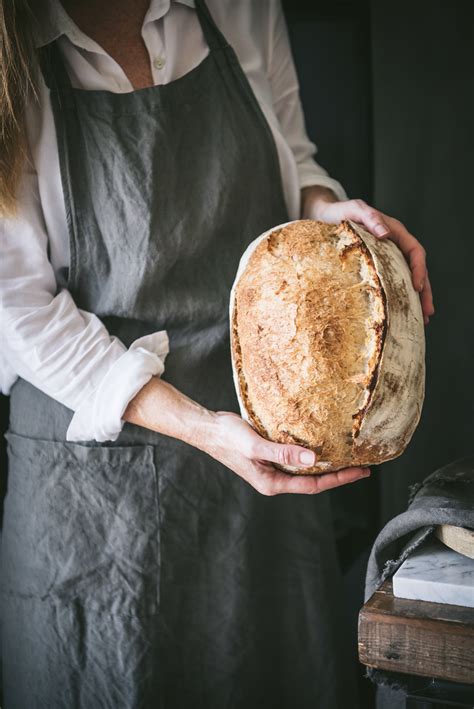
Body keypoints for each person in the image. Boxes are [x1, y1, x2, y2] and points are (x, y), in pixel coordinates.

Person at [0, 0, 434, 707]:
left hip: (258, 486)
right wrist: (200, 426)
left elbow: (291, 153)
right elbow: (14, 308)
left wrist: (334, 215)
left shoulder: (241, 7)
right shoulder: (10, 47)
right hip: (91, 506)